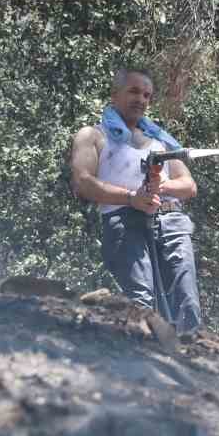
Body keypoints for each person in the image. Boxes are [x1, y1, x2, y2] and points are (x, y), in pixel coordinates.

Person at [69, 68, 202, 335]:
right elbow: (82, 182)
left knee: (187, 303)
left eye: (147, 95)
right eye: (133, 91)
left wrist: (160, 186)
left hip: (172, 222)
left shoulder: (160, 140)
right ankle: (136, 362)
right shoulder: (92, 136)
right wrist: (132, 198)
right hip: (125, 222)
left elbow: (189, 186)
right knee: (140, 301)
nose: (141, 99)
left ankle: (190, 365)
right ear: (114, 94)